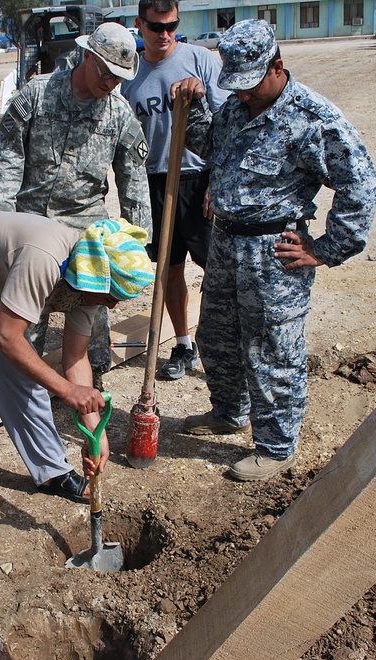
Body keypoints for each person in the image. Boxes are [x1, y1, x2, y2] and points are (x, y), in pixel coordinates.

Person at [172, 20, 376, 481]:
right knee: (217, 337)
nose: (241, 95)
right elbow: (209, 145)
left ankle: (276, 446)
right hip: (225, 242)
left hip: (274, 253)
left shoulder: (313, 118)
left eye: (249, 85)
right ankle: (229, 412)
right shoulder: (235, 109)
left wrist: (326, 248)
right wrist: (198, 107)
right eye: (234, 86)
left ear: (277, 67)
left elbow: (359, 183)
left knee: (272, 352)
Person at [0, 214, 154, 554]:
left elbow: (75, 358)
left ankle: (52, 471)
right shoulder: (45, 260)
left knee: (26, 385)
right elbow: (7, 338)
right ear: (96, 277)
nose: (112, 305)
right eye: (112, 296)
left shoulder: (90, 284)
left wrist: (95, 430)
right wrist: (67, 391)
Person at [0, 21, 152, 382]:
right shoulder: (36, 94)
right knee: (26, 326)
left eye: (118, 78)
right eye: (106, 72)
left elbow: (134, 182)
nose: (110, 83)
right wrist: (0, 229)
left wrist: (136, 244)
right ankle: (26, 390)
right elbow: (8, 163)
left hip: (88, 236)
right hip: (32, 227)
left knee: (92, 337)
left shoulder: (119, 113)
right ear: (88, 56)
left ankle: (90, 393)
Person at [120, 0, 227, 380]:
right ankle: (184, 344)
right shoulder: (128, 71)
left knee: (218, 267)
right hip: (153, 179)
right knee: (168, 266)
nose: (165, 35)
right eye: (155, 27)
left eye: (172, 27)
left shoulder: (200, 60)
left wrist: (218, 180)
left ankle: (226, 343)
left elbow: (229, 127)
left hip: (198, 178)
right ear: (139, 25)